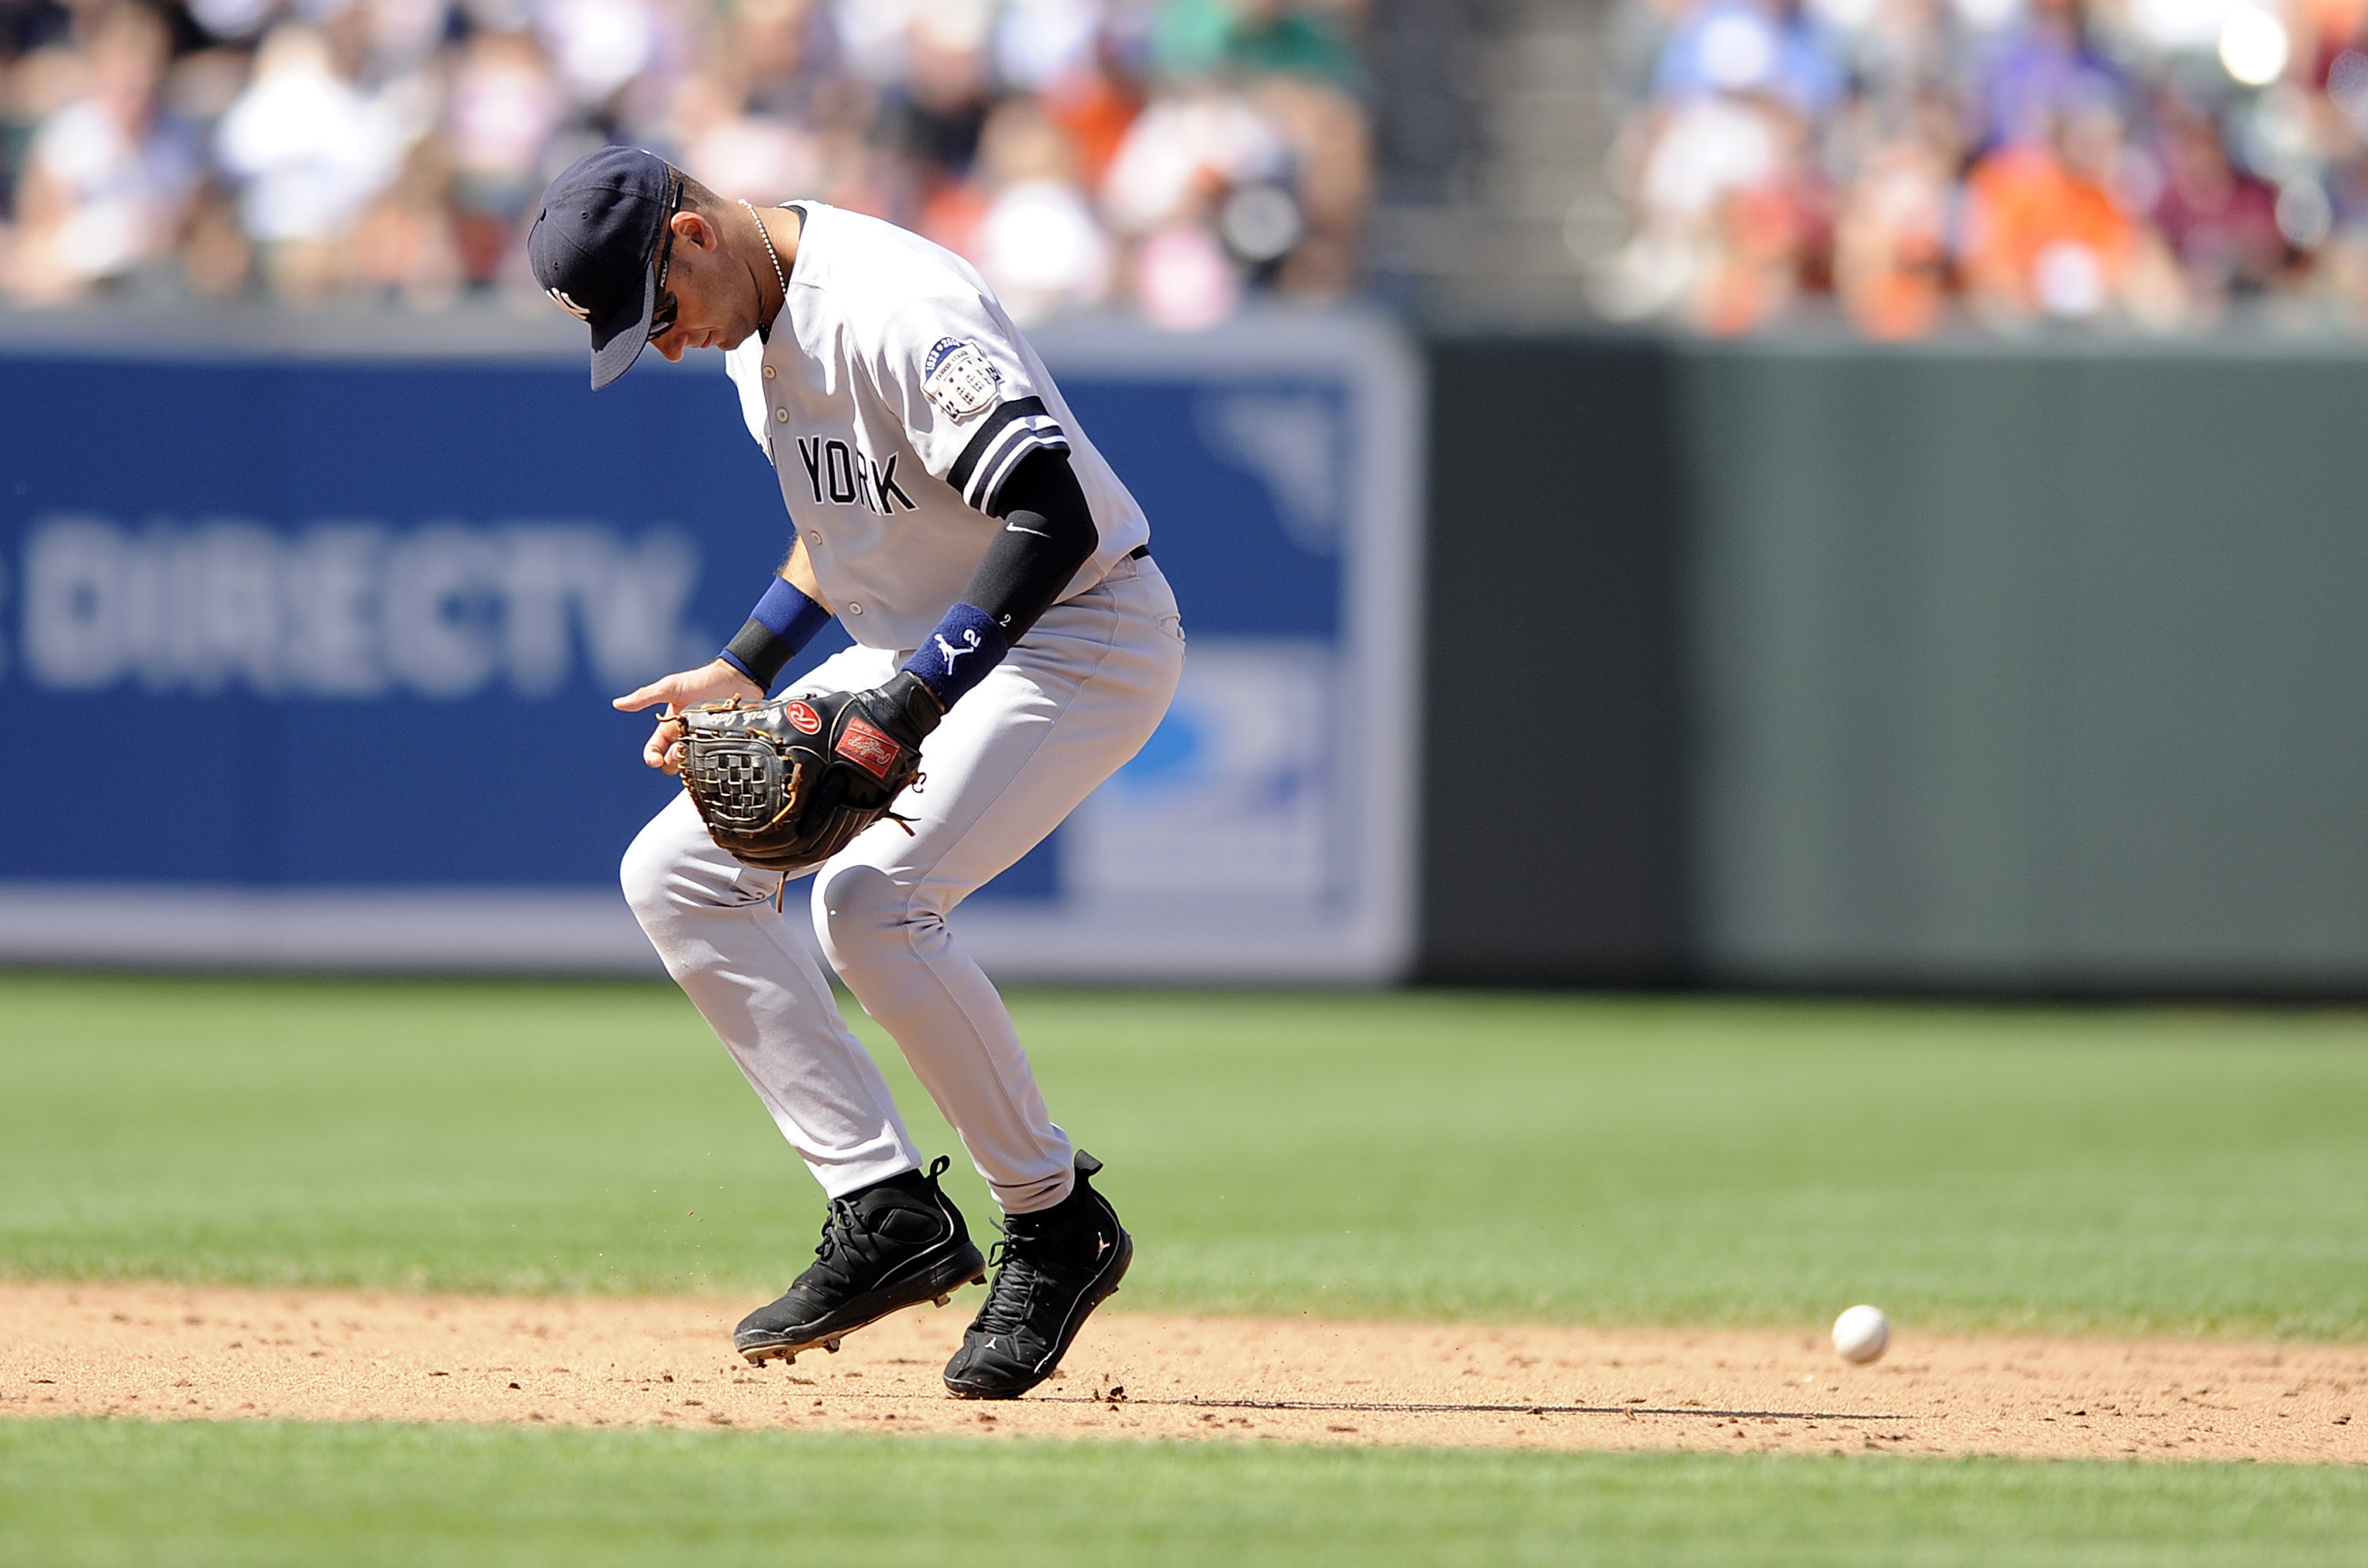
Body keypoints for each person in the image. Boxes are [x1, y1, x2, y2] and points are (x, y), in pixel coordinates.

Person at [526, 144, 1185, 1398]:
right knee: (671, 871)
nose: (662, 346)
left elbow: (1054, 513)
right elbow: (856, 526)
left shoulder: (894, 303)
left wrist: (910, 700)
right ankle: (886, 1213)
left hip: (1079, 633)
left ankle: (1053, 1224)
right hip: (917, 641)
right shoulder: (751, 329)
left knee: (873, 905)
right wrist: (746, 663)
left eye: (654, 314)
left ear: (693, 235)